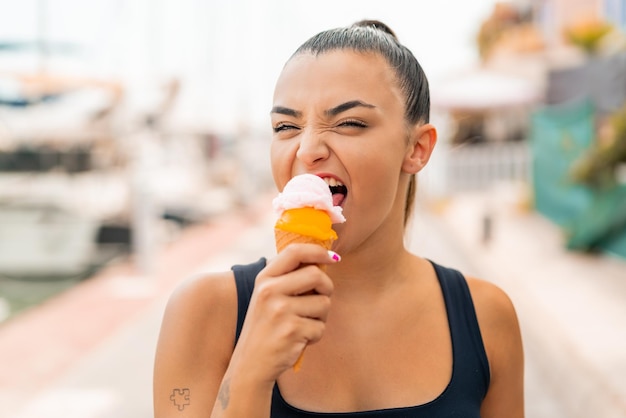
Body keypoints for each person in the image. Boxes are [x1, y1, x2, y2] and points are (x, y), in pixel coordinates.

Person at [153, 19, 524, 417]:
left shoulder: (486, 317)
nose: (307, 149)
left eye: (349, 123)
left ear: (416, 148)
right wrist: (248, 372)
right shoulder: (205, 312)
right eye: (285, 126)